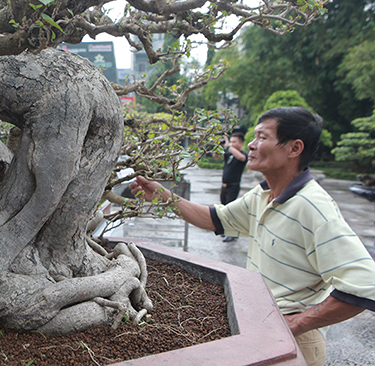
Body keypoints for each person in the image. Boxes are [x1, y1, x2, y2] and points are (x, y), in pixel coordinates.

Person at [130, 107, 375, 366]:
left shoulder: (313, 207)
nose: (251, 144)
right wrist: (163, 196)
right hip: (263, 329)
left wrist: (296, 322)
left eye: (262, 137)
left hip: (296, 342)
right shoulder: (262, 195)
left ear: (294, 148)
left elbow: (364, 285)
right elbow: (214, 219)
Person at [213, 131, 247, 242]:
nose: (231, 144)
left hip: (233, 186)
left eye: (234, 142)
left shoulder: (242, 154)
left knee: (230, 210)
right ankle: (226, 231)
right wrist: (218, 144)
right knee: (223, 208)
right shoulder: (230, 154)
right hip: (224, 185)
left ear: (241, 143)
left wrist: (229, 146)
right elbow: (216, 155)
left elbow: (241, 158)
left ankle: (233, 233)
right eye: (230, 141)